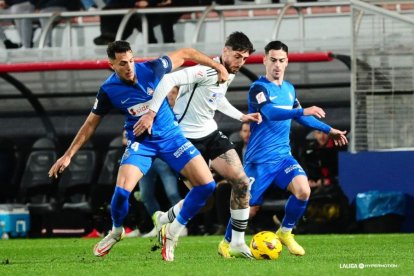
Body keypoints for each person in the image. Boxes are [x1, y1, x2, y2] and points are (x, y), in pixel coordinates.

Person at [48, 40, 228, 262]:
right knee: (122, 193)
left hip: (172, 138)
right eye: (123, 63)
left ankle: (171, 233)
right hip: (141, 144)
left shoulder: (152, 68)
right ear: (111, 64)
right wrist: (68, 155)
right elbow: (90, 124)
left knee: (207, 185)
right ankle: (116, 231)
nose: (129, 67)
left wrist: (217, 66)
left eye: (131, 61)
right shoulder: (108, 90)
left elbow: (186, 52)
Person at [134, 31, 260, 259]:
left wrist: (240, 116)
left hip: (210, 134)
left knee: (241, 182)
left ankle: (238, 243)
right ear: (225, 51)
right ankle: (165, 220)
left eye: (245, 59)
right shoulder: (207, 69)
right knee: (204, 200)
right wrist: (151, 113)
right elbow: (168, 79)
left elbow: (216, 98)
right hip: (184, 139)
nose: (240, 63)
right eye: (238, 56)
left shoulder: (227, 73)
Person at [220, 40, 348, 256]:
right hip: (259, 161)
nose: (277, 65)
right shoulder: (258, 88)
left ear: (287, 62)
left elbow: (304, 119)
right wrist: (302, 111)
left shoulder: (289, 89)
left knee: (303, 190)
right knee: (248, 209)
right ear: (264, 61)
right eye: (273, 60)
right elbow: (270, 112)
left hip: (283, 158)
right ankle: (225, 243)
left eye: (281, 60)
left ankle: (285, 231)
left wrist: (329, 129)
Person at [138, 158, 183, 237]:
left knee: (172, 193)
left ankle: (180, 225)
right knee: (145, 195)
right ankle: (159, 226)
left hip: (162, 157)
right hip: (144, 158)